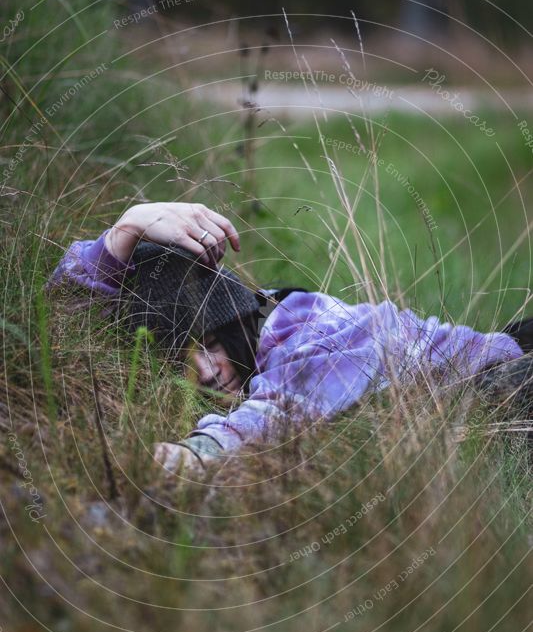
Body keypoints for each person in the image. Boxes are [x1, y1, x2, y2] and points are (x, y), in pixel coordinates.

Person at [48, 201, 528, 475]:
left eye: (209, 345)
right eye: (181, 358)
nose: (207, 373)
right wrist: (126, 229)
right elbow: (64, 322)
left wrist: (197, 452)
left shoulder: (307, 331)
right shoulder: (260, 323)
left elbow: (283, 408)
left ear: (233, 320)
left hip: (497, 383)